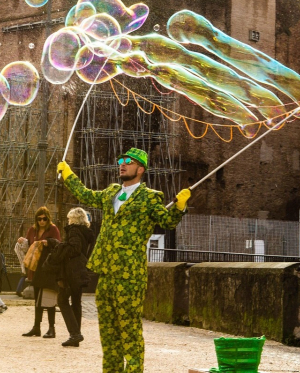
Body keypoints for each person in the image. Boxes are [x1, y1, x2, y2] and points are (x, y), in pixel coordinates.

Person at [57, 148, 189, 372]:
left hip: (130, 274)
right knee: (108, 333)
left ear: (140, 169)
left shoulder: (150, 197)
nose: (123, 164)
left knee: (129, 330)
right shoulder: (112, 191)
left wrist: (179, 206)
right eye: (121, 160)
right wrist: (69, 176)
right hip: (106, 272)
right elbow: (86, 195)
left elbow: (167, 221)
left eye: (129, 161)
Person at [51, 207, 95, 347]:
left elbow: (74, 248)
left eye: (70, 218)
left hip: (71, 270)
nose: (68, 221)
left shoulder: (74, 230)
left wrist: (62, 247)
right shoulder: (87, 232)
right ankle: (76, 334)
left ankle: (75, 333)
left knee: (62, 299)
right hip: (81, 269)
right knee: (76, 301)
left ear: (74, 219)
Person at [21, 206, 61, 339]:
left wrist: (48, 242)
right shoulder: (32, 230)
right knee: (37, 299)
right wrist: (22, 242)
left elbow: (59, 245)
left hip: (48, 269)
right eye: (39, 219)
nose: (42, 221)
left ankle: (51, 328)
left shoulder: (53, 229)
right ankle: (36, 327)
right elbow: (27, 246)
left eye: (44, 219)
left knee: (49, 299)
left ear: (48, 219)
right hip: (35, 268)